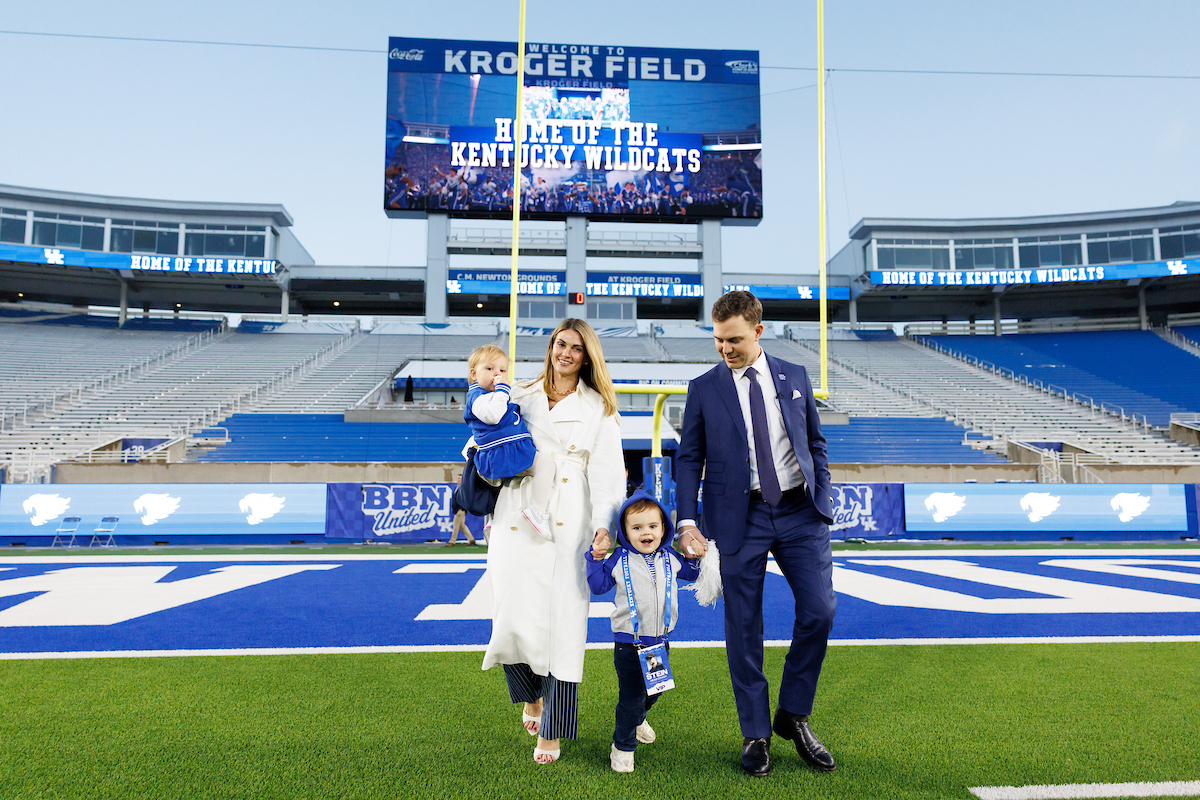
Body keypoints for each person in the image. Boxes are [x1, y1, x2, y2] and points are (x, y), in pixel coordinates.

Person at [674, 290, 837, 778]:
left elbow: (815, 442)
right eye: (719, 340)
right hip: (738, 516)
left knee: (820, 611)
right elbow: (689, 458)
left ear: (758, 331)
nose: (725, 349)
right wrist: (687, 521)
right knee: (744, 626)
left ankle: (793, 714)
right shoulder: (704, 388)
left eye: (735, 340)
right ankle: (756, 733)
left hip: (799, 510)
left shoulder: (795, 376)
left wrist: (823, 493)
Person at [481, 319, 625, 765]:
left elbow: (608, 472)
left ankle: (554, 727)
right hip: (516, 509)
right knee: (509, 612)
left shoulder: (599, 406)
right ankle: (531, 696)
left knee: (564, 622)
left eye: (576, 348)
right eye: (560, 344)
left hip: (570, 513)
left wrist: (604, 524)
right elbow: (485, 440)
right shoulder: (519, 393)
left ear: (587, 357)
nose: (566, 353)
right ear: (550, 347)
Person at [586, 489, 700, 773]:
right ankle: (622, 747)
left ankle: (638, 720)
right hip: (629, 644)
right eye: (636, 528)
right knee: (631, 698)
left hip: (658, 643)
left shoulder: (670, 556)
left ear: (663, 529)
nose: (646, 532)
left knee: (655, 691)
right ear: (625, 532)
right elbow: (598, 586)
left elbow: (693, 573)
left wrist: (696, 555)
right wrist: (595, 559)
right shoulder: (619, 558)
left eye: (652, 526)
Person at [463, 345, 555, 540]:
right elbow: (493, 416)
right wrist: (503, 390)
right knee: (546, 466)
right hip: (503, 452)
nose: (497, 374)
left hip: (502, 451)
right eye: (489, 368)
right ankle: (538, 512)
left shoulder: (491, 394)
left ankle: (492, 520)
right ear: (474, 374)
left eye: (502, 370)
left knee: (499, 487)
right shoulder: (478, 397)